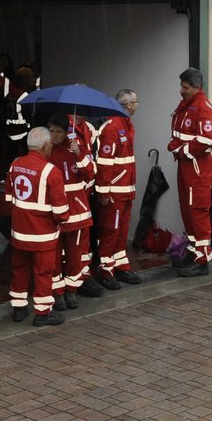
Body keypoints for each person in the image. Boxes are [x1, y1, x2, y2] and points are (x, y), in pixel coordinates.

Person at [7, 127, 68, 326]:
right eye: (49, 144)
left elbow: (9, 198)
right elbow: (61, 211)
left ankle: (18, 308)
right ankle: (42, 313)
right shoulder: (52, 171)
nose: (51, 147)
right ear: (44, 145)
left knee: (19, 269)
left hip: (19, 232)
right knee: (43, 273)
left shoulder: (15, 164)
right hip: (43, 235)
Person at [168, 68, 212, 276]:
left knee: (197, 211)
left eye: (185, 87)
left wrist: (181, 150)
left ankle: (202, 260)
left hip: (196, 169)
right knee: (187, 211)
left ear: (197, 87)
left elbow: (207, 140)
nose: (181, 90)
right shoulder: (187, 105)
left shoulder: (203, 107)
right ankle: (193, 251)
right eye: (181, 86)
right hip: (186, 166)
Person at [48, 115, 99, 310]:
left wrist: (79, 154)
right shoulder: (46, 150)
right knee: (54, 256)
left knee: (74, 255)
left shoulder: (76, 148)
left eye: (59, 131)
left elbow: (92, 173)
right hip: (54, 213)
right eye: (51, 131)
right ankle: (57, 293)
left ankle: (71, 291)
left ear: (66, 132)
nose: (54, 135)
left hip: (77, 213)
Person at [94, 90, 143, 289]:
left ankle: (121, 266)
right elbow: (105, 163)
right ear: (128, 105)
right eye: (136, 102)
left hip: (125, 190)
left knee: (122, 231)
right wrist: (104, 191)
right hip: (114, 192)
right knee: (110, 232)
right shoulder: (112, 127)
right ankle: (106, 270)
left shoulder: (126, 124)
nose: (137, 105)